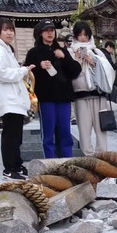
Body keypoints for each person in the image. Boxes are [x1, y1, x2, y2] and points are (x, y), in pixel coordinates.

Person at [24, 20, 81, 158]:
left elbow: (75, 71)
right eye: (46, 30)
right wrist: (39, 66)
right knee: (48, 133)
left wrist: (65, 58)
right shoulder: (33, 52)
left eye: (52, 30)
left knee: (65, 131)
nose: (50, 33)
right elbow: (27, 75)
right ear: (40, 33)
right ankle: (50, 161)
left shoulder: (62, 50)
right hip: (46, 98)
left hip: (63, 97)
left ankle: (67, 160)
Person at [0, 18, 34, 179]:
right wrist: (22, 71)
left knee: (16, 134)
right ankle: (9, 167)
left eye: (11, 30)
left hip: (13, 98)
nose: (9, 33)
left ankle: (16, 163)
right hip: (7, 99)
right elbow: (1, 73)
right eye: (5, 29)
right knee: (10, 135)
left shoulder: (6, 49)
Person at [70, 21, 115, 156]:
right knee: (84, 128)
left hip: (98, 93)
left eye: (85, 34)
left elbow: (108, 71)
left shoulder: (97, 52)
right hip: (80, 94)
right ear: (76, 36)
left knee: (101, 128)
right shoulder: (70, 52)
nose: (83, 37)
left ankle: (102, 154)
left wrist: (94, 62)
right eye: (80, 35)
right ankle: (88, 154)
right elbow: (70, 73)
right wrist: (77, 59)